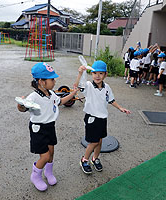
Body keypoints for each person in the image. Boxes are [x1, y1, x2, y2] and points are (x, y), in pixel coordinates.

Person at [17, 62, 77, 191]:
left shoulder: (51, 93)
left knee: (51, 153)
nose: (54, 81)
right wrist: (20, 105)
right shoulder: (34, 96)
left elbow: (60, 102)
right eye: (51, 79)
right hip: (38, 129)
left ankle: (48, 173)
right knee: (44, 156)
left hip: (50, 126)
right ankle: (35, 176)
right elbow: (23, 108)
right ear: (41, 81)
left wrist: (73, 94)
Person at [75, 60, 131, 174]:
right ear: (92, 74)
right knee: (93, 142)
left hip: (102, 118)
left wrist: (120, 108)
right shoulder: (88, 86)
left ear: (105, 74)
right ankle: (84, 160)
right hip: (92, 118)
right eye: (95, 73)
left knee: (100, 141)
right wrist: (80, 73)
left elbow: (111, 100)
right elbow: (78, 86)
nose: (97, 76)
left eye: (101, 73)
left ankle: (95, 158)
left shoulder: (107, 87)